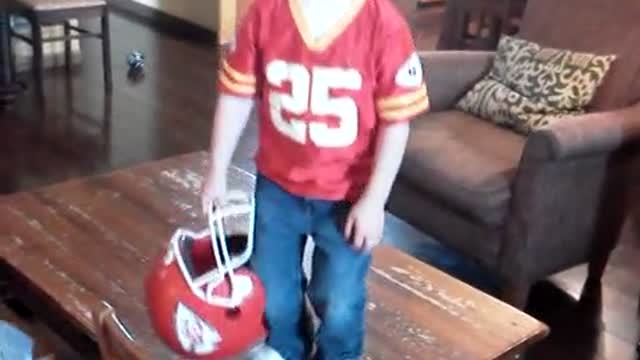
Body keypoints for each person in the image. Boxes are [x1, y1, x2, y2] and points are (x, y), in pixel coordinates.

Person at [201, 0, 429, 358]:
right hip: (277, 188)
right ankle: (286, 351)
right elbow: (237, 94)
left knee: (338, 302)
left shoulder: (384, 24)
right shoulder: (265, 12)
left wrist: (374, 201)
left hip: (347, 198)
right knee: (273, 295)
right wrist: (216, 170)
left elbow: (396, 123)